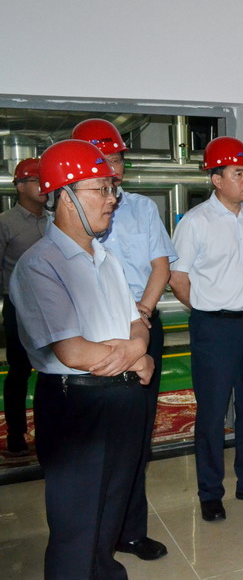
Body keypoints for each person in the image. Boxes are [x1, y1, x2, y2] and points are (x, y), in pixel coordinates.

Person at [9, 139, 154, 580]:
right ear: (66, 197)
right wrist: (136, 356)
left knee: (110, 509)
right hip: (77, 405)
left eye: (113, 188)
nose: (113, 198)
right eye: (101, 189)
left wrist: (135, 349)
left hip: (122, 400)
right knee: (77, 521)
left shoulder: (106, 259)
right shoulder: (40, 264)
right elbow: (72, 351)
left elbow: (138, 324)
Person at [71, 118, 176, 561]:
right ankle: (90, 538)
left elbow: (160, 267)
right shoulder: (70, 216)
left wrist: (143, 315)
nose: (112, 169)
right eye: (102, 160)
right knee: (93, 444)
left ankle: (130, 532)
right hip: (93, 336)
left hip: (142, 327)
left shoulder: (141, 209)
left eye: (116, 159)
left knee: (136, 438)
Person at [169, 136, 243, 524]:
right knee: (213, 413)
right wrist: (209, 309)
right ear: (216, 179)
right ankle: (210, 492)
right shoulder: (195, 222)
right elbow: (178, 278)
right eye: (238, 173)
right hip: (214, 329)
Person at [1, 158, 47, 455]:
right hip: (19, 308)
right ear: (19, 186)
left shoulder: (55, 219)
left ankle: (48, 430)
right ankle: (16, 433)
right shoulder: (6, 223)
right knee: (20, 371)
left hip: (52, 307)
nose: (44, 186)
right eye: (36, 181)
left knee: (51, 371)